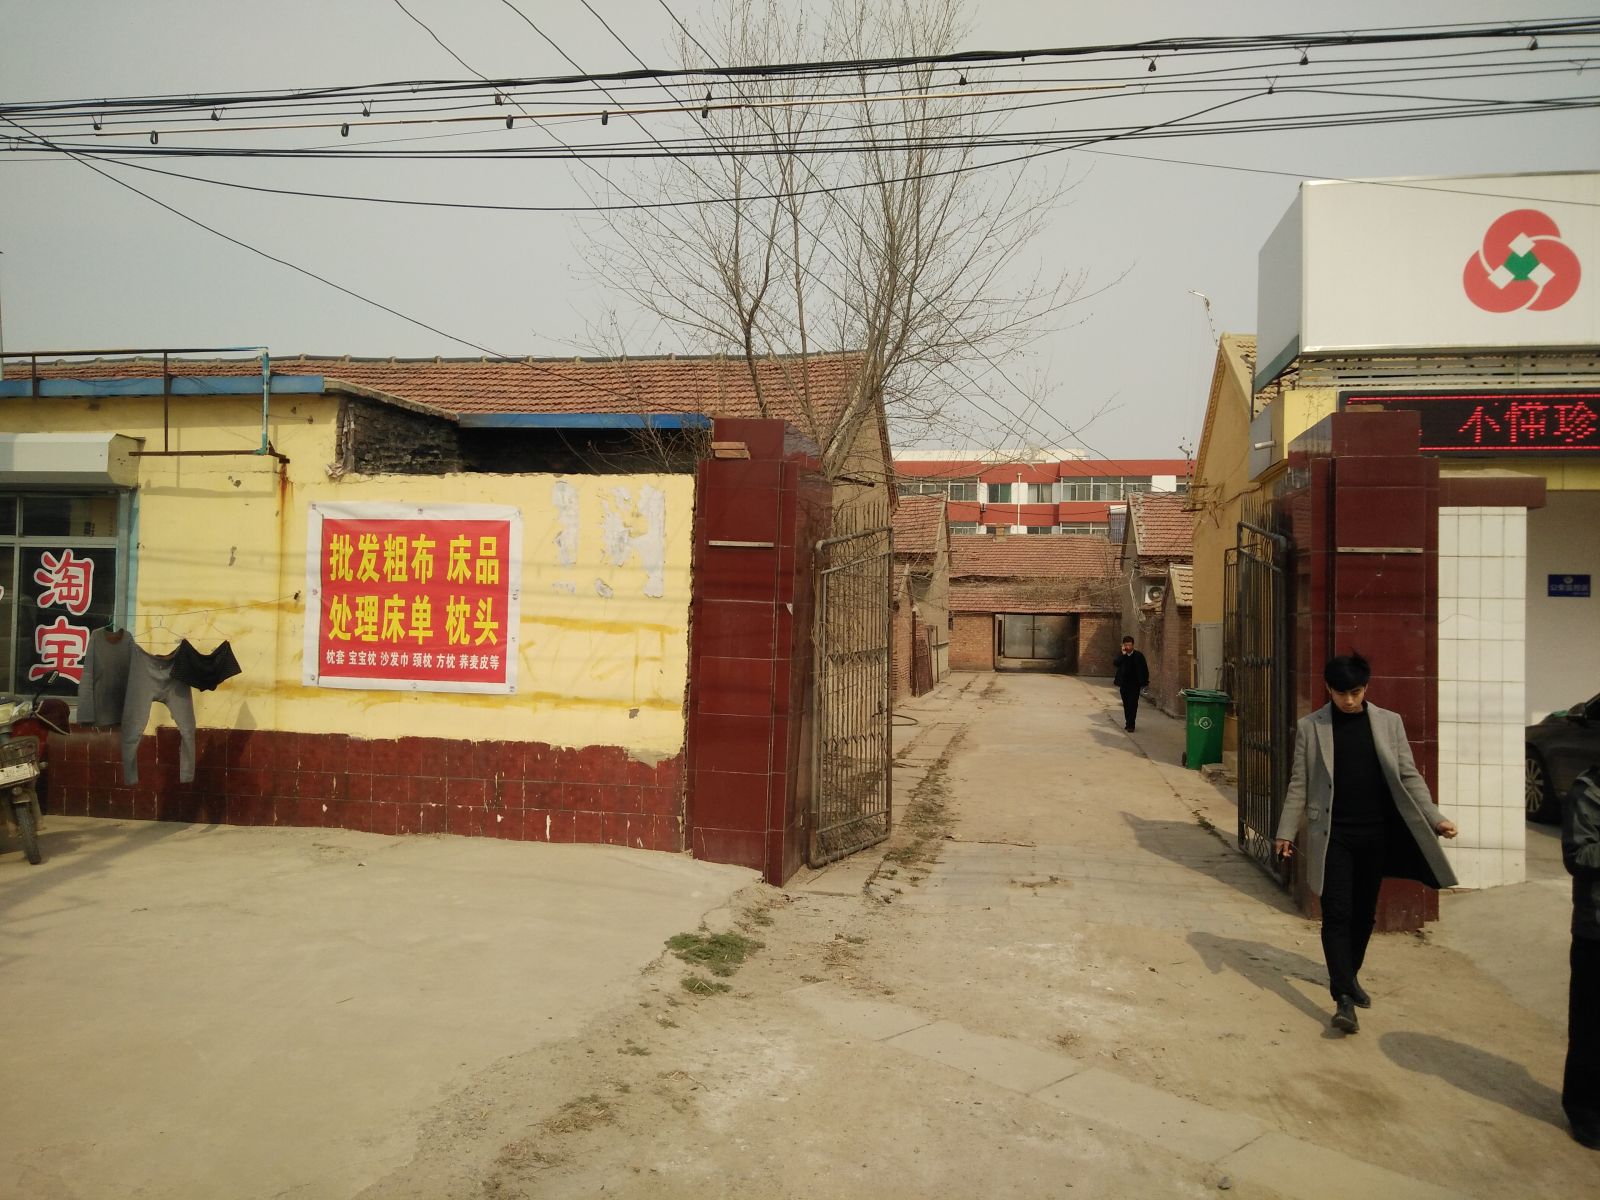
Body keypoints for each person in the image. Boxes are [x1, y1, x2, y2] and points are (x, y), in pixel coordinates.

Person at [1273, 652, 1458, 1034]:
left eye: (1356, 692)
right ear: (1329, 689)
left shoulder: (1389, 723)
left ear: (1366, 688)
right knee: (1337, 913)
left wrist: (1435, 818)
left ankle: (1349, 976)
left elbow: (1409, 776)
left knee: (1363, 915)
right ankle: (1343, 997)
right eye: (1341, 693)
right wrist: (1285, 832)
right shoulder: (1311, 727)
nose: (1349, 700)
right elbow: (1299, 784)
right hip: (1333, 836)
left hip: (1377, 835)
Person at [1560, 764, 1600, 1150]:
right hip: (1595, 931)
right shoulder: (1588, 791)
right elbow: (1578, 856)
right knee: (1590, 1027)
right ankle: (1583, 1110)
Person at [1112, 636, 1149, 732]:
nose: (1127, 647)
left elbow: (1144, 669)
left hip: (1135, 685)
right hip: (1124, 684)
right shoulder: (1122, 655)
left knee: (1132, 704)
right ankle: (1128, 722)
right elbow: (1116, 663)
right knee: (1126, 704)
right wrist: (1123, 655)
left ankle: (1131, 725)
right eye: (1126, 645)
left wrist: (1145, 683)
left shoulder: (1138, 655)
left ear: (1133, 645)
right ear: (1123, 645)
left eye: (1129, 645)